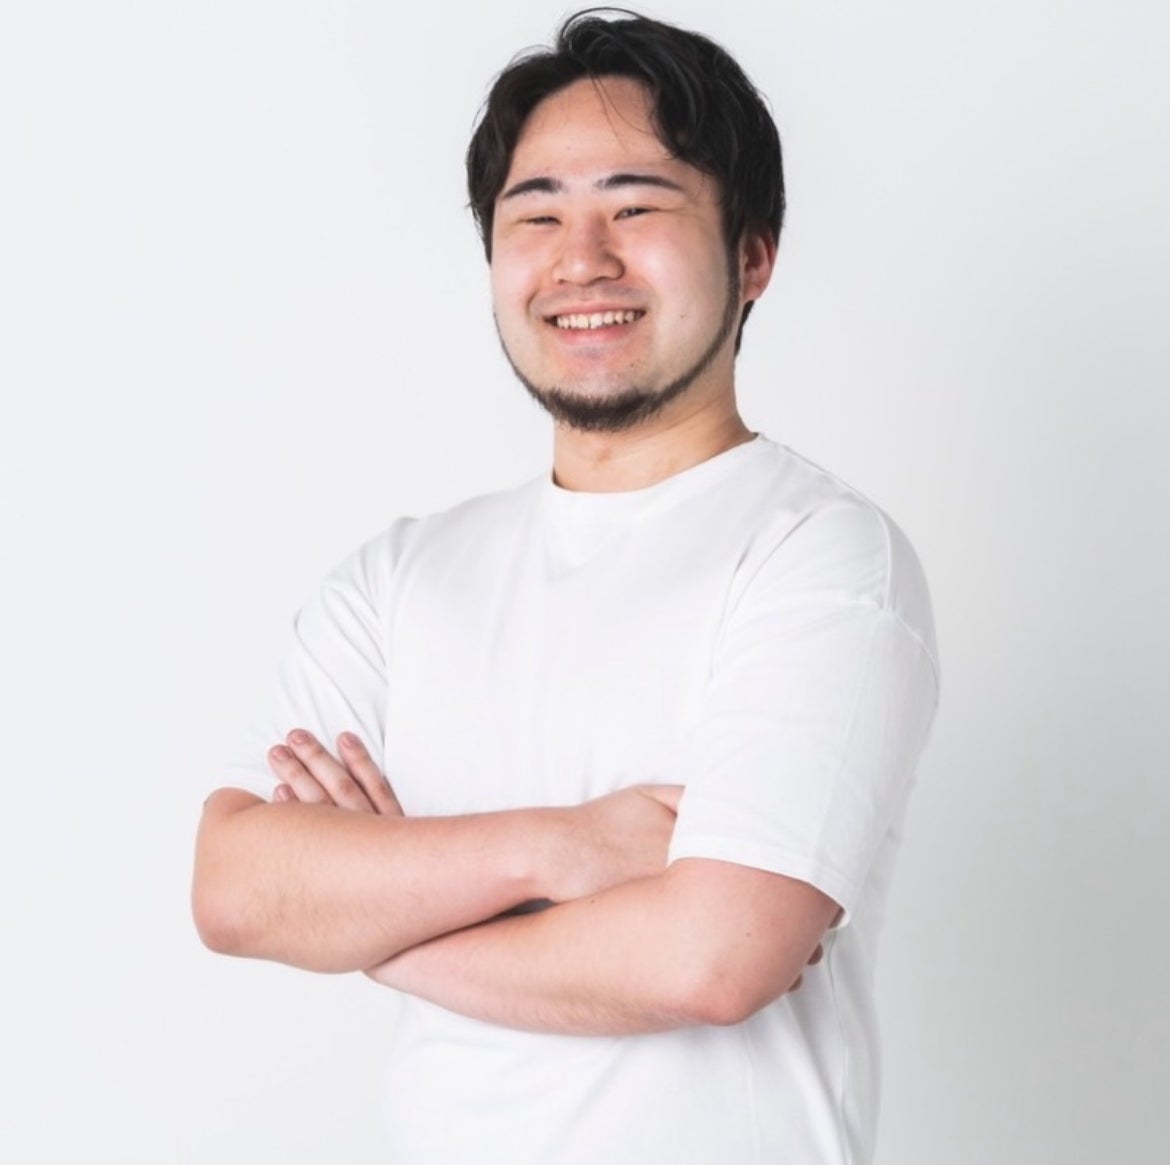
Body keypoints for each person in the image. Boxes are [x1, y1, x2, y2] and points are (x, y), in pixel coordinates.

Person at [193, 10, 939, 1163]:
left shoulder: (822, 555)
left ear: (753, 253)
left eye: (636, 208)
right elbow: (236, 887)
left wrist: (376, 927)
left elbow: (712, 959)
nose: (581, 260)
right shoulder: (400, 577)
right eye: (536, 215)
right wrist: (562, 847)